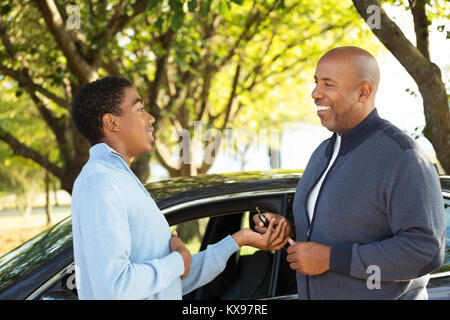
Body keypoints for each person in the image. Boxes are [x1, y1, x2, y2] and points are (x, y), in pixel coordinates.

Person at [253, 46, 445, 299]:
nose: (315, 93)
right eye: (316, 82)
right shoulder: (322, 152)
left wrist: (332, 258)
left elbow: (425, 250)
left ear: (363, 92)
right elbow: (336, 228)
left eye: (328, 84)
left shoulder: (402, 157)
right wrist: (288, 230)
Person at [71, 76, 288, 300]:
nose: (151, 118)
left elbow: (171, 284)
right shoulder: (101, 182)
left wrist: (238, 240)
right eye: (140, 109)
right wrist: (177, 261)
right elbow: (114, 287)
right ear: (112, 123)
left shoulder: (121, 180)